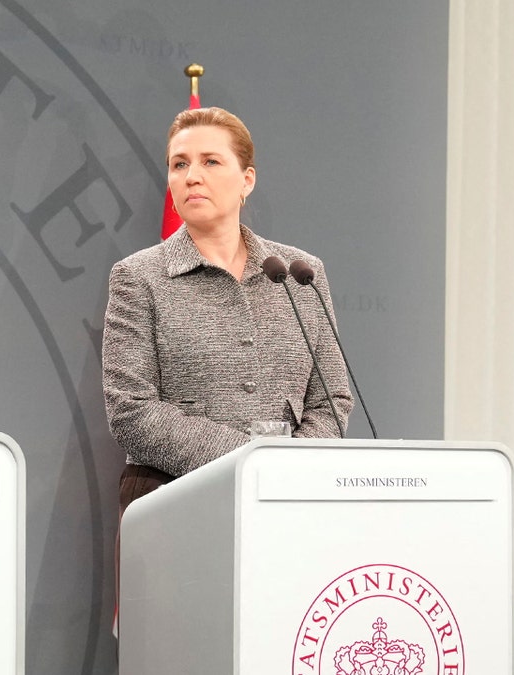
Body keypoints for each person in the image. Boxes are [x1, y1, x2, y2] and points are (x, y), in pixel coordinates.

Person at [102, 106, 352, 618]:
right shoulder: (138, 277)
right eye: (179, 164)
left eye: (210, 161)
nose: (191, 175)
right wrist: (251, 463)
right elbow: (131, 412)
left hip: (287, 509)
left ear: (247, 180)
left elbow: (331, 400)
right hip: (173, 505)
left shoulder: (300, 273)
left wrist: (285, 474)